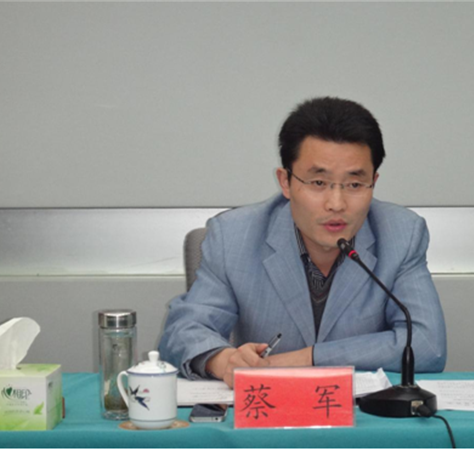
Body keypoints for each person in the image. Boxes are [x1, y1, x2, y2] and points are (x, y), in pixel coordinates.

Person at [159, 97, 446, 387]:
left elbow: (426, 344)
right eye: (318, 183)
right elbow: (183, 331)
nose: (336, 203)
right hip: (268, 410)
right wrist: (225, 361)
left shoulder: (401, 233)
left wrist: (306, 358)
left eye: (355, 184)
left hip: (362, 412)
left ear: (374, 181)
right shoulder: (234, 235)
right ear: (286, 181)